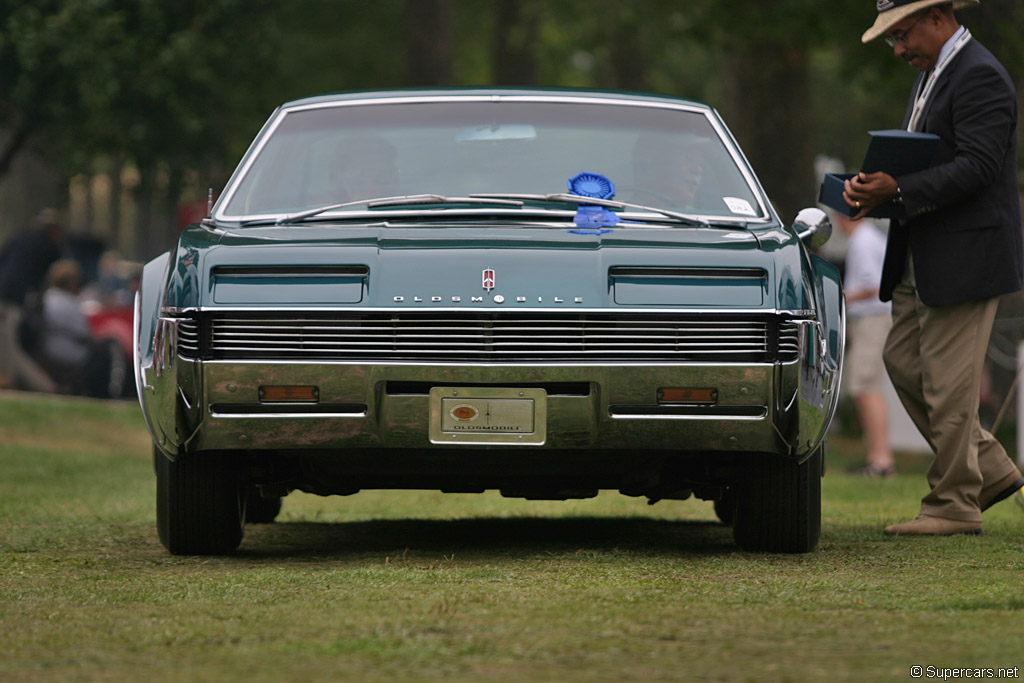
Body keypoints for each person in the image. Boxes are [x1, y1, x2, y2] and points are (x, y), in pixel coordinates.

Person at [844, 0, 1024, 535]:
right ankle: (989, 469)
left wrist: (899, 188)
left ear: (938, 20)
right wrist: (877, 188)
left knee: (948, 384)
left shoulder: (980, 76)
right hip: (922, 251)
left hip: (966, 256)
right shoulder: (936, 72)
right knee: (903, 362)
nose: (899, 49)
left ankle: (953, 504)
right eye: (892, 40)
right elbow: (930, 157)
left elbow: (979, 166)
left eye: (902, 36)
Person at [835, 213, 895, 478]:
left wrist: (839, 297)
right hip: (872, 319)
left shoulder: (861, 240)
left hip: (873, 318)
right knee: (865, 386)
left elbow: (872, 285)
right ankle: (878, 456)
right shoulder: (869, 236)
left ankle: (881, 460)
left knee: (864, 385)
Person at [0, 209, 64, 393]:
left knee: (8, 344)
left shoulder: (18, 237)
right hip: (17, 301)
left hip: (3, 294)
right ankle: (35, 385)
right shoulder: (50, 248)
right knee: (9, 344)